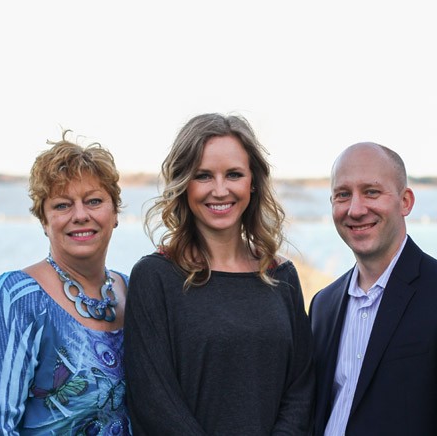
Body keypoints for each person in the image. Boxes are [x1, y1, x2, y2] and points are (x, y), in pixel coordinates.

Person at [123, 113, 314, 435]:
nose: (220, 190)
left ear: (253, 182)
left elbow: (301, 388)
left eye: (234, 174)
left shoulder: (281, 276)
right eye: (204, 176)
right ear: (183, 184)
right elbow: (153, 401)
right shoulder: (154, 276)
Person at [310, 142, 437, 435]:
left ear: (406, 202)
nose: (356, 209)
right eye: (342, 195)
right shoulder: (323, 305)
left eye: (371, 192)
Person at [0, 132, 131, 434]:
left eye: (94, 201)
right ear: (43, 220)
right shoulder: (16, 299)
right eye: (62, 205)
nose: (80, 215)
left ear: (115, 212)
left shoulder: (136, 292)